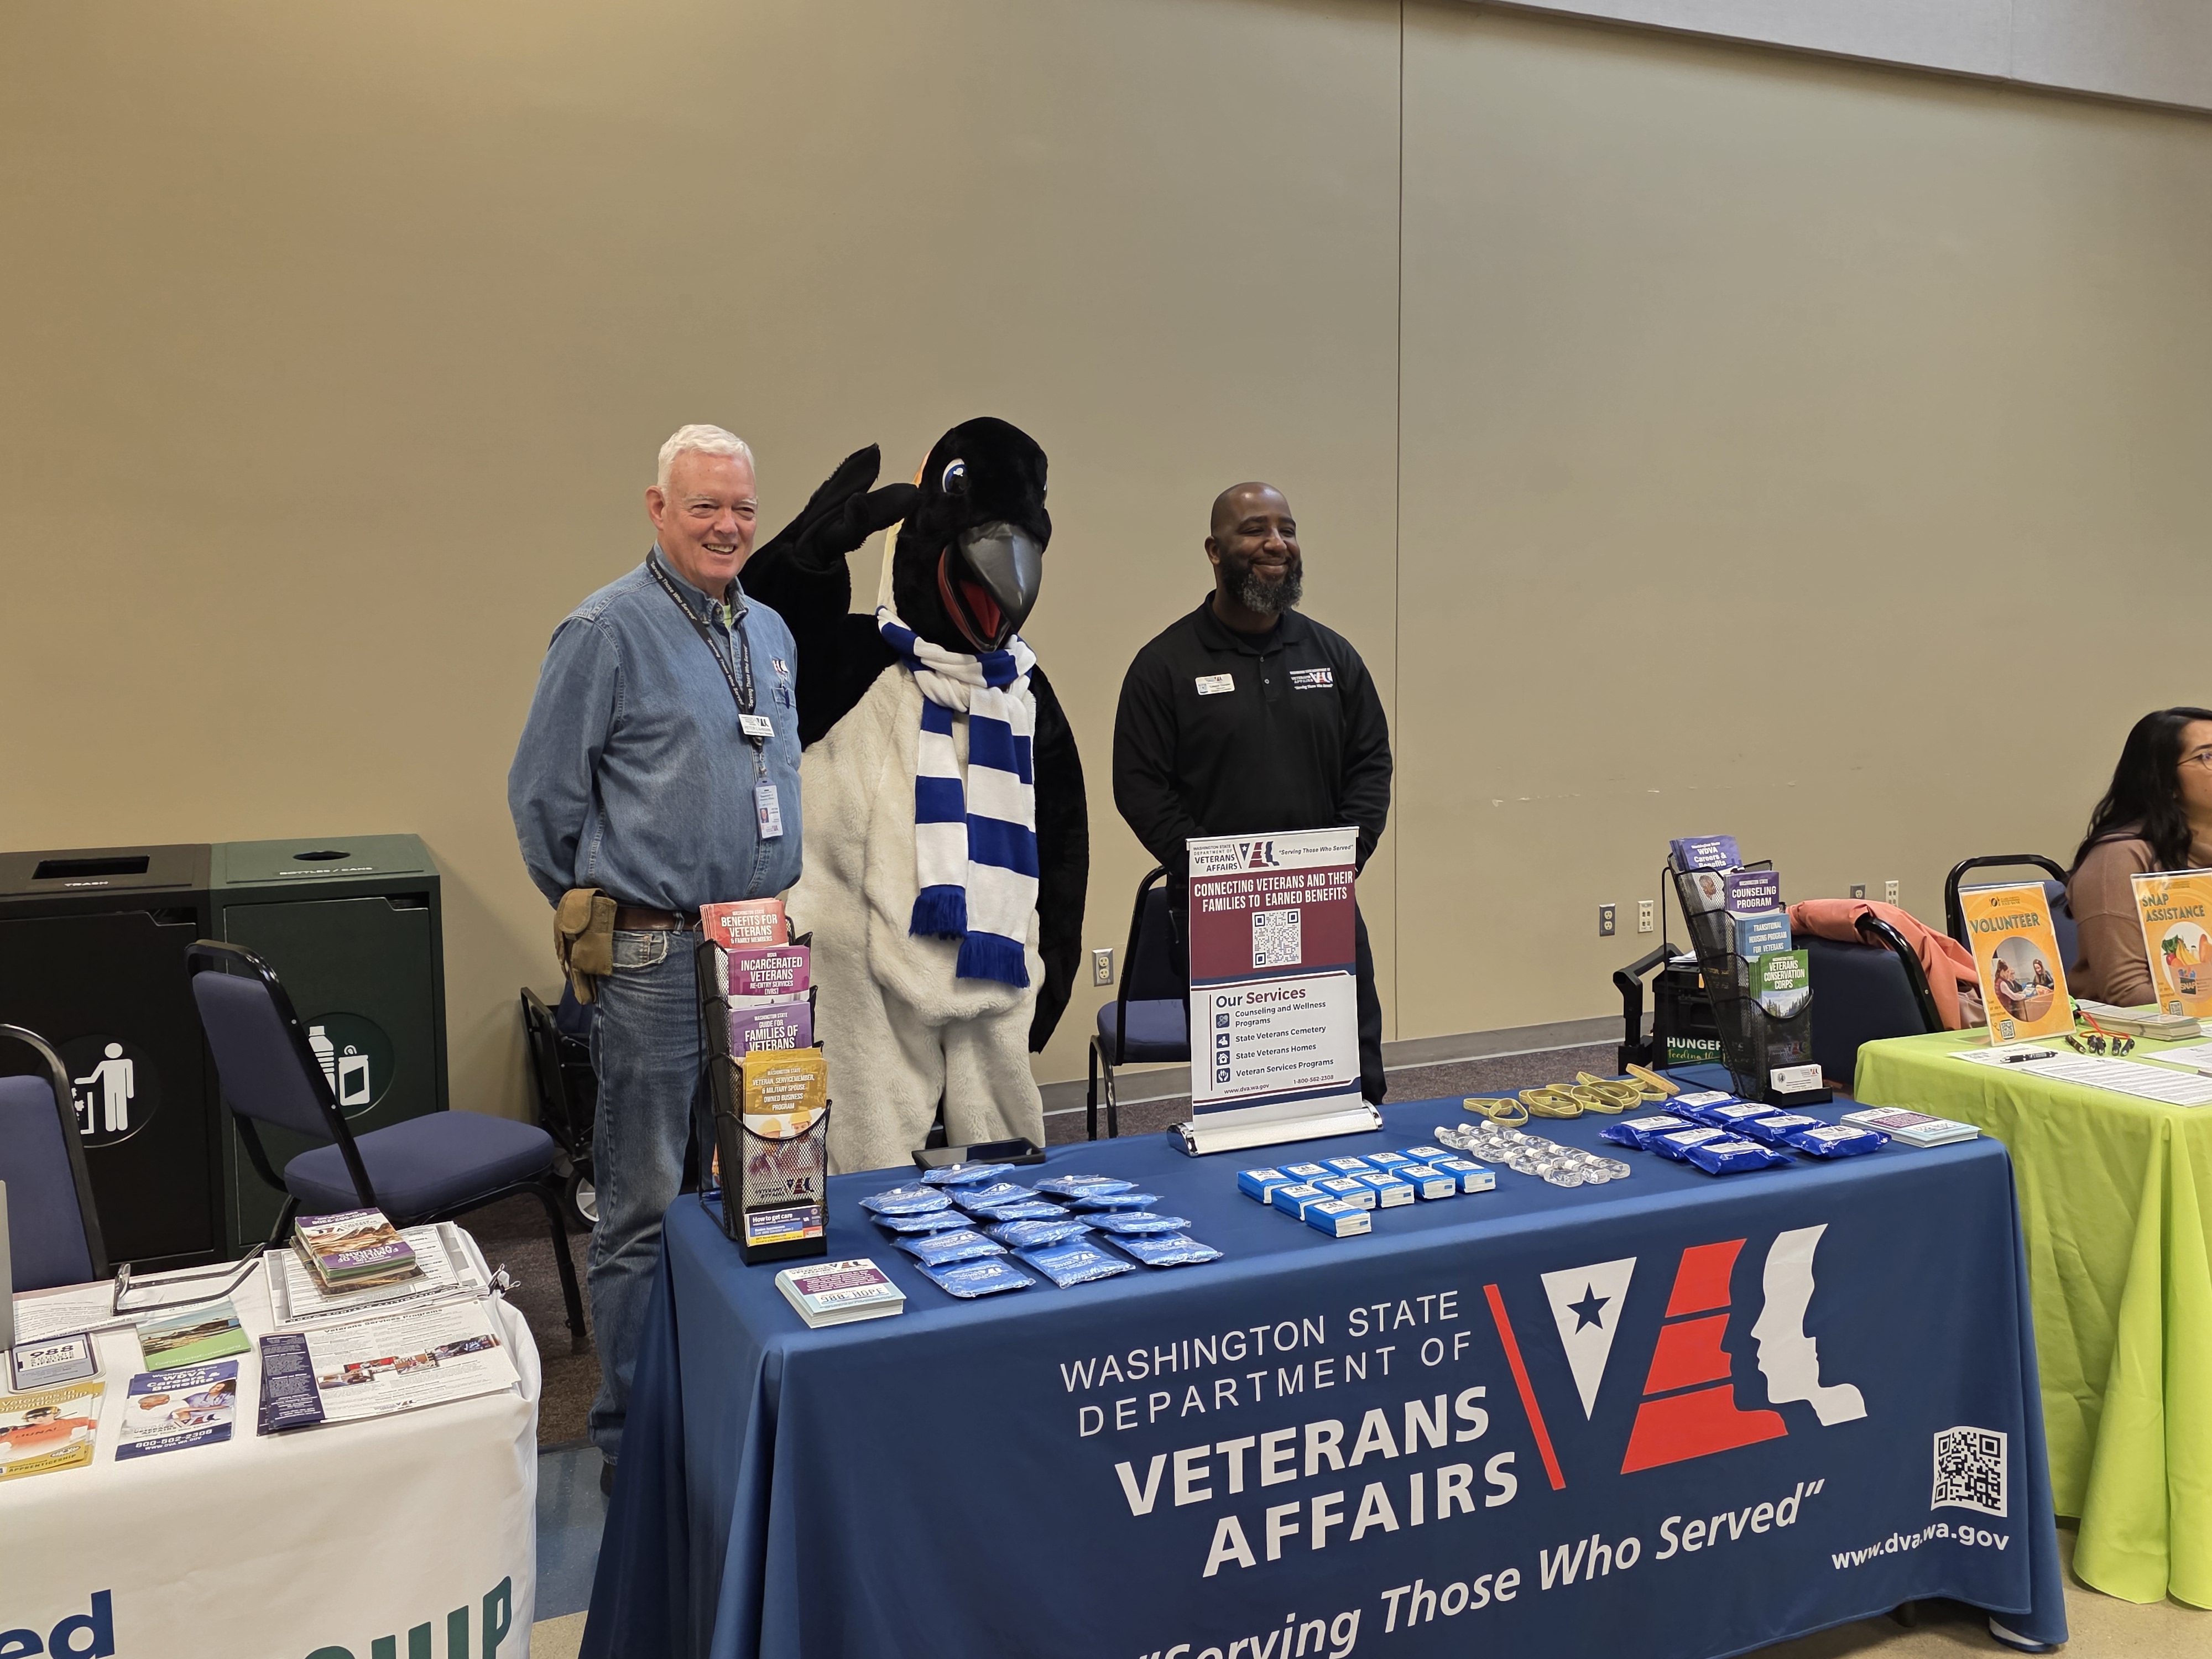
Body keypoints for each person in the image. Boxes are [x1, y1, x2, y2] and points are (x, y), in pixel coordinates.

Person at [509, 424, 805, 1491]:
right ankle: (634, 1443)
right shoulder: (605, 631)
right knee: (641, 1209)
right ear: (657, 507)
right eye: (704, 507)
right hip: (651, 960)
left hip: (762, 956)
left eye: (742, 509)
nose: (727, 526)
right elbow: (542, 798)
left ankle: (733, 1401)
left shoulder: (768, 629)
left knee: (768, 1187)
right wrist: (600, 907)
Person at [1112, 481, 1393, 1101]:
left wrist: (1344, 858)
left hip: (1323, 901)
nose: (1276, 543)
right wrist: (1215, 873)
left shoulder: (1333, 657)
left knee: (1351, 1077)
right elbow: (1138, 785)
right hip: (1218, 914)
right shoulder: (1164, 666)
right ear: (1214, 550)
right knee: (1246, 1091)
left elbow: (1371, 763)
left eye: (1287, 529)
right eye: (1255, 529)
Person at [2066, 706, 2212, 1007]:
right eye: (2208, 756)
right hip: (2133, 1035)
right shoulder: (2118, 859)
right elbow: (2126, 993)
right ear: (2166, 781)